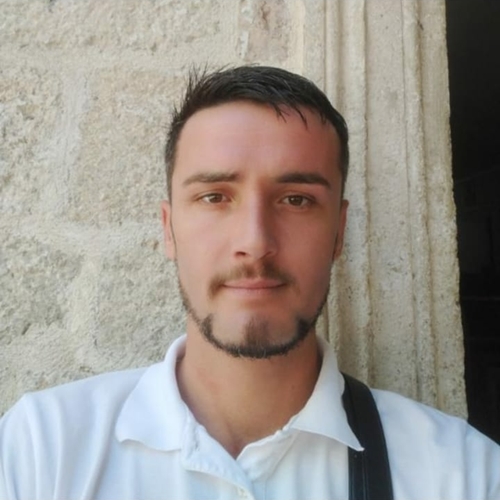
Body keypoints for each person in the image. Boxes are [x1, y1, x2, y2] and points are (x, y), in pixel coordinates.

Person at [0, 65, 499, 500]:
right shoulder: (41, 449)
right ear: (169, 229)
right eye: (215, 197)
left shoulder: (463, 473)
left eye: (296, 199)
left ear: (339, 231)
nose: (255, 242)